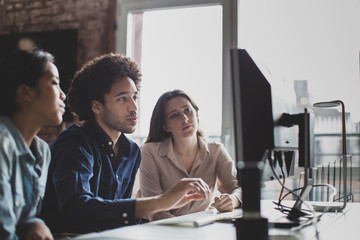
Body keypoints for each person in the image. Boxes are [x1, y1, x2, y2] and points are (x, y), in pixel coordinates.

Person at [40, 53, 210, 234]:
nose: (134, 107)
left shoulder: (132, 151)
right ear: (97, 106)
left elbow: (118, 219)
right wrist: (161, 202)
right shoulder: (74, 144)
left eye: (134, 97)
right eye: (122, 99)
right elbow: (77, 211)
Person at [138, 89, 242, 221]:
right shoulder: (149, 152)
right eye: (174, 116)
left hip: (196, 228)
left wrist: (233, 200)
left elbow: (240, 188)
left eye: (187, 110)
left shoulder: (216, 151)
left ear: (196, 113)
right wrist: (186, 228)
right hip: (159, 230)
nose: (184, 119)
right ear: (165, 126)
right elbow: (153, 210)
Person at [0, 49, 66, 240]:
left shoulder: (42, 151)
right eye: (54, 83)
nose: (63, 96)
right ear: (25, 92)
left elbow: (25, 216)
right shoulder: (2, 143)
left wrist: (34, 223)